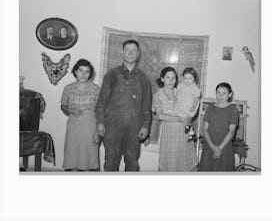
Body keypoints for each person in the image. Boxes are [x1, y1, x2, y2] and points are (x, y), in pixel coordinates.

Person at [95, 39, 152, 171]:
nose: (130, 53)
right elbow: (102, 101)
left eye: (133, 51)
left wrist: (145, 126)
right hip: (112, 127)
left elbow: (146, 106)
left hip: (134, 128)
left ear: (138, 54)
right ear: (123, 52)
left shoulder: (144, 78)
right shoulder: (111, 75)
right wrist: (100, 122)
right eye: (127, 50)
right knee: (110, 162)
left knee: (132, 163)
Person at [153, 67, 197, 171]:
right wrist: (178, 119)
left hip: (186, 130)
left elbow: (192, 107)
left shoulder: (182, 90)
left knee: (187, 161)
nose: (171, 80)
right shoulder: (157, 95)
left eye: (173, 77)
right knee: (170, 163)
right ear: (162, 79)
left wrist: (189, 119)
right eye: (168, 77)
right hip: (169, 133)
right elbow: (160, 116)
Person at [60, 59, 100, 171]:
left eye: (87, 71)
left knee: (87, 160)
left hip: (90, 126)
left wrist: (97, 131)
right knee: (73, 158)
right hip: (74, 126)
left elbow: (100, 111)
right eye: (81, 70)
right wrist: (70, 111)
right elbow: (63, 106)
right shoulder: (68, 88)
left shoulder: (96, 89)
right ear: (75, 72)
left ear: (90, 74)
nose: (83, 74)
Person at [199, 82, 239, 171]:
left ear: (230, 94)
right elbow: (204, 129)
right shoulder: (209, 108)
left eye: (224, 93)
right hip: (209, 146)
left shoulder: (233, 110)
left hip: (224, 147)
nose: (221, 96)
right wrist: (213, 147)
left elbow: (231, 132)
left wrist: (219, 148)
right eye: (218, 93)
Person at [165, 67, 201, 140]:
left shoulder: (195, 88)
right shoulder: (181, 85)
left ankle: (191, 132)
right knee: (177, 116)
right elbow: (176, 93)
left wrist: (193, 106)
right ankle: (186, 131)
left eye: (190, 78)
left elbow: (196, 98)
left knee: (186, 118)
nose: (187, 81)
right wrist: (174, 98)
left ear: (194, 78)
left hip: (188, 106)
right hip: (180, 104)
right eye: (185, 78)